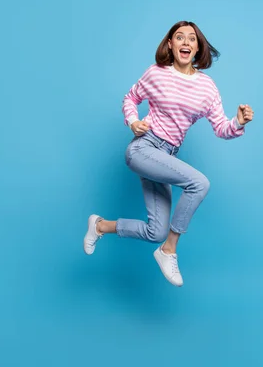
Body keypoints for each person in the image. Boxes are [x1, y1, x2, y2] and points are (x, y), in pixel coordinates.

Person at [83, 21, 254, 287]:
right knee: (199, 183)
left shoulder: (206, 87)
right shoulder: (157, 73)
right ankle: (169, 250)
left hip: (166, 157)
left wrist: (239, 122)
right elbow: (130, 98)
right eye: (179, 37)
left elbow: (221, 128)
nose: (185, 42)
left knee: (155, 231)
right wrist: (132, 122)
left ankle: (100, 225)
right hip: (144, 148)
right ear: (171, 44)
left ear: (198, 48)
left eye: (191, 39)